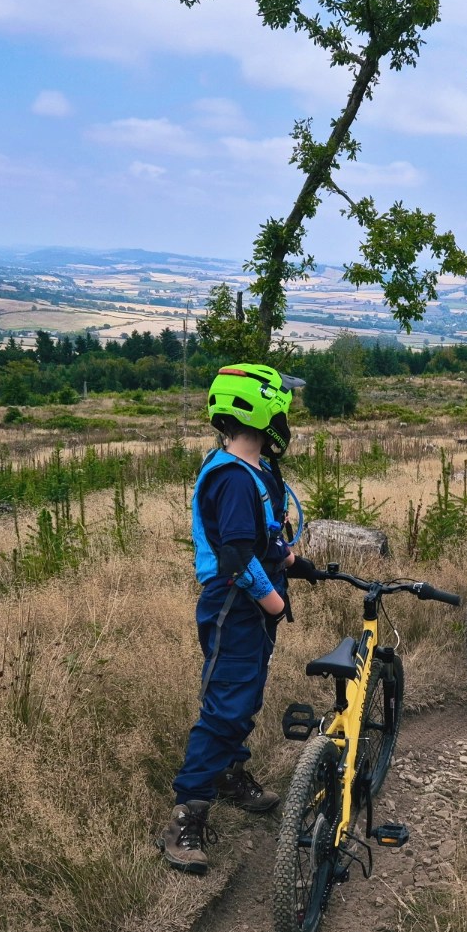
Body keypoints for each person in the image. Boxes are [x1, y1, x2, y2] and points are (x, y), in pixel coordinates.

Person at [158, 362, 320, 874]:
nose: (289, 413)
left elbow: (261, 537)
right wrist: (271, 598)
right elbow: (234, 556)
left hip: (251, 600)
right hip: (235, 601)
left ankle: (229, 775)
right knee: (226, 704)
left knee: (244, 690)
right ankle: (187, 813)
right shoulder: (231, 477)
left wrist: (296, 563)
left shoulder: (256, 471)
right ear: (261, 409)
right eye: (283, 403)